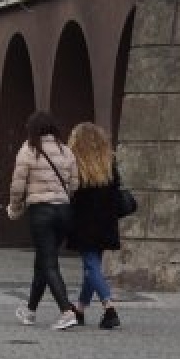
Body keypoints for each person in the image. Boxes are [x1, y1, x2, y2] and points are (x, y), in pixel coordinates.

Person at [6, 111, 79, 330]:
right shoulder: (66, 151)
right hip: (64, 211)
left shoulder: (28, 150)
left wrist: (15, 208)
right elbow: (75, 184)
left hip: (41, 212)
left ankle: (66, 311)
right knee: (43, 262)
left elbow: (18, 185)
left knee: (48, 263)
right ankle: (30, 311)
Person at [65, 122, 123, 329]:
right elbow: (116, 190)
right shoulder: (109, 162)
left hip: (84, 222)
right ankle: (79, 309)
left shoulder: (75, 163)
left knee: (91, 264)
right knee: (92, 266)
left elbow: (70, 194)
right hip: (106, 221)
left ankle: (109, 307)